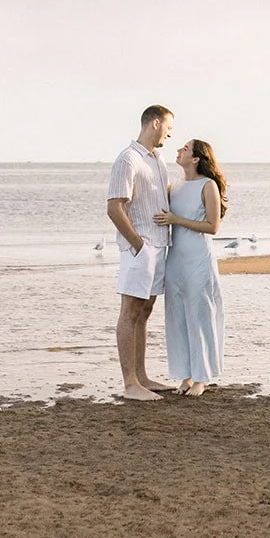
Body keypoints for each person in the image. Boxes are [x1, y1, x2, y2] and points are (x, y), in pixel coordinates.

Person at [105, 104, 175, 401]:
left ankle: (142, 376)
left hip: (161, 245)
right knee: (130, 311)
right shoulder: (128, 159)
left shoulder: (157, 160)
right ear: (156, 123)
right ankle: (130, 383)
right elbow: (114, 206)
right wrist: (138, 245)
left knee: (145, 312)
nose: (170, 135)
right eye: (169, 128)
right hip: (141, 247)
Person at [155, 138, 226, 397]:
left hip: (198, 257)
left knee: (199, 315)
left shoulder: (208, 186)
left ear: (196, 158)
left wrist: (176, 220)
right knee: (177, 317)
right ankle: (184, 375)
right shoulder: (175, 186)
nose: (179, 151)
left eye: (184, 149)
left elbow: (213, 226)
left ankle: (201, 377)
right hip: (175, 259)